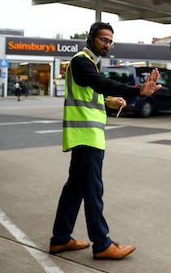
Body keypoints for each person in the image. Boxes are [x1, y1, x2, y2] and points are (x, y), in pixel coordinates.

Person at [49, 22, 161, 260]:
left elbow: (91, 92)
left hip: (85, 136)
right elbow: (100, 84)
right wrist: (137, 90)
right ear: (90, 38)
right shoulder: (81, 61)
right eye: (103, 39)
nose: (107, 44)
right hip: (87, 137)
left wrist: (108, 102)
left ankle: (60, 239)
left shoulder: (89, 64)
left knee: (75, 189)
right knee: (93, 191)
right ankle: (102, 244)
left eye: (110, 41)